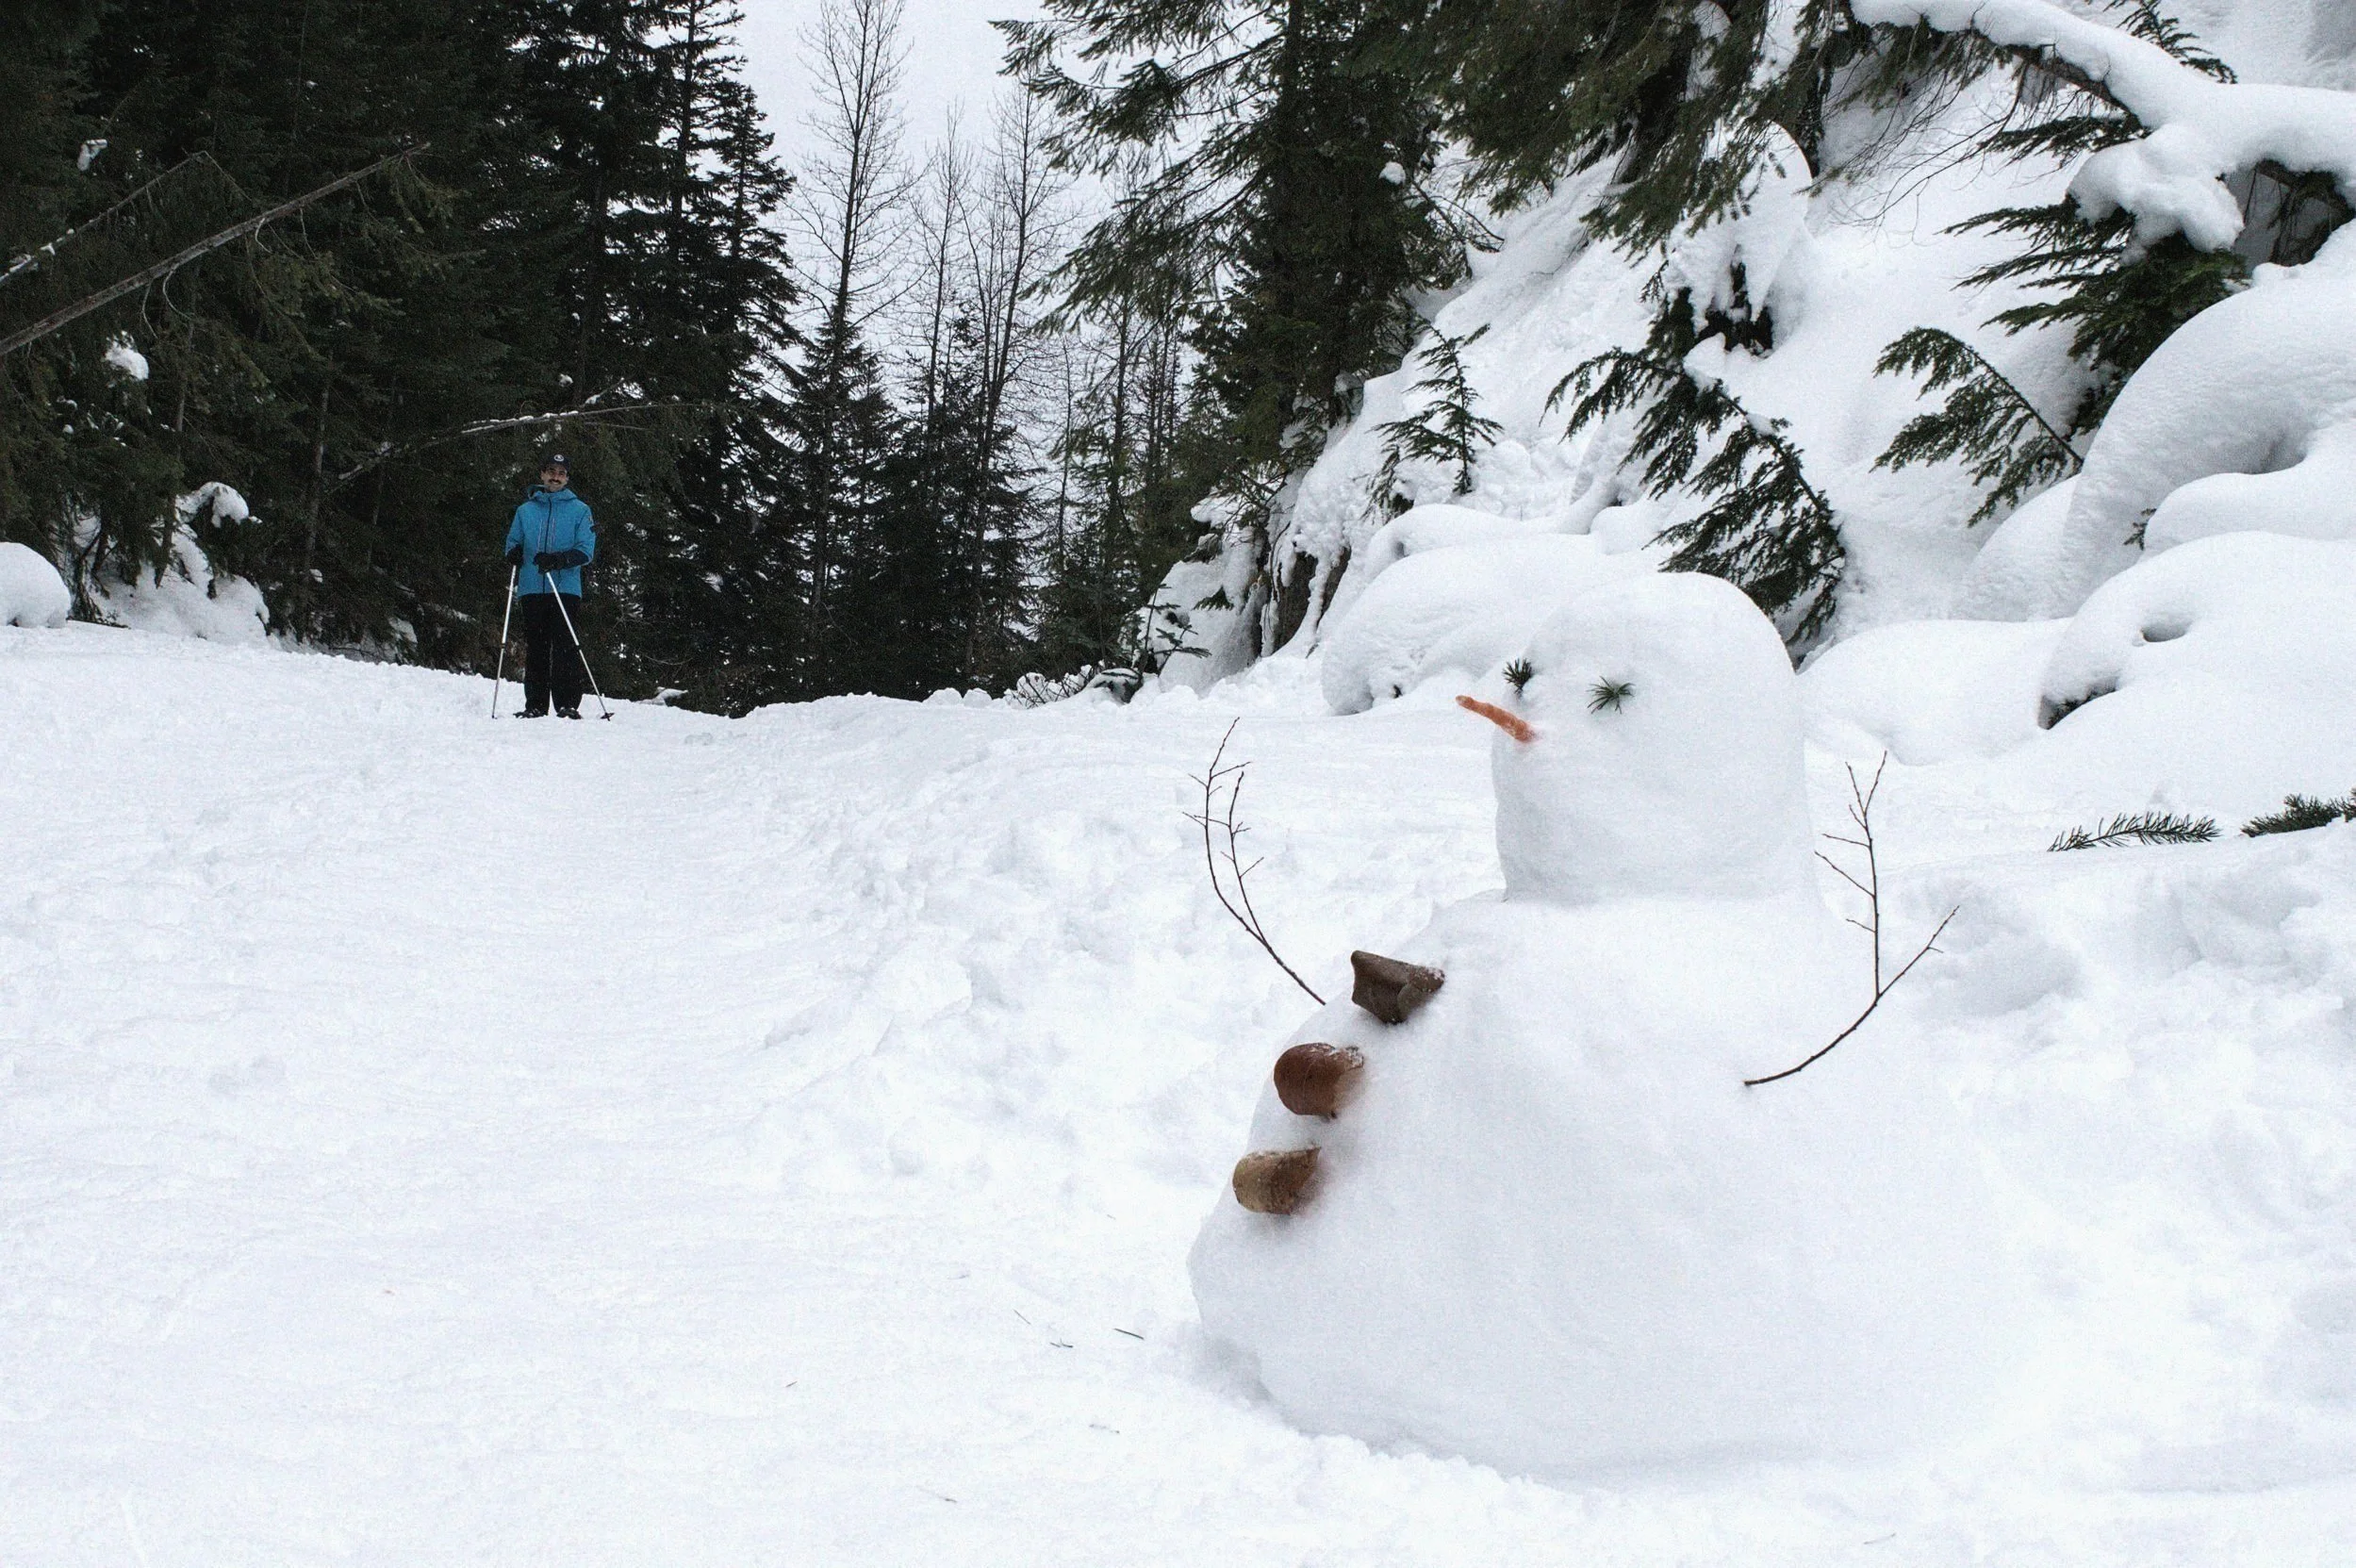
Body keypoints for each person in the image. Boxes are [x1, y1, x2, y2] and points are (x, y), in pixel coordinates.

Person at [503, 454, 597, 718]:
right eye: (551, 471)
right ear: (542, 474)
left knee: (565, 645)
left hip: (565, 587)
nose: (555, 477)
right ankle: (535, 704)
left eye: (561, 473)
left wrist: (559, 560)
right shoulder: (525, 510)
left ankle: (567, 704)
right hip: (532, 587)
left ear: (567, 478)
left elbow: (586, 550)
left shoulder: (580, 510)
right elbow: (512, 542)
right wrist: (513, 553)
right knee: (536, 646)